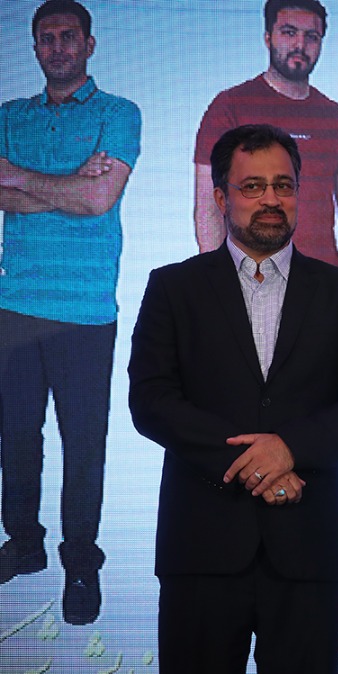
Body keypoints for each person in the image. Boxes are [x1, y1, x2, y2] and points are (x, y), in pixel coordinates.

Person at [129, 124, 338, 674]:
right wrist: (254, 464)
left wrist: (289, 450)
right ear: (222, 197)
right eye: (253, 186)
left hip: (309, 551)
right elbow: (152, 401)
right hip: (201, 549)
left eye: (283, 185)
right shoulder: (173, 289)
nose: (271, 199)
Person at [0, 0, 141, 626]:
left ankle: (81, 560)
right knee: (14, 436)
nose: (56, 47)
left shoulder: (118, 113)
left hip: (86, 308)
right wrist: (69, 185)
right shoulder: (8, 117)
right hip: (14, 304)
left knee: (83, 443)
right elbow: (71, 195)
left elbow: (99, 199)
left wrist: (18, 178)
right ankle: (24, 544)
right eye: (45, 38)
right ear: (35, 47)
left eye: (67, 36)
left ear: (89, 44)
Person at [194, 0, 338, 276]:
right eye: (289, 32)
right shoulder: (230, 107)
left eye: (311, 37)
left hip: (324, 280)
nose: (300, 45)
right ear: (268, 38)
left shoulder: (335, 116)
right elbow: (208, 203)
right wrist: (216, 279)